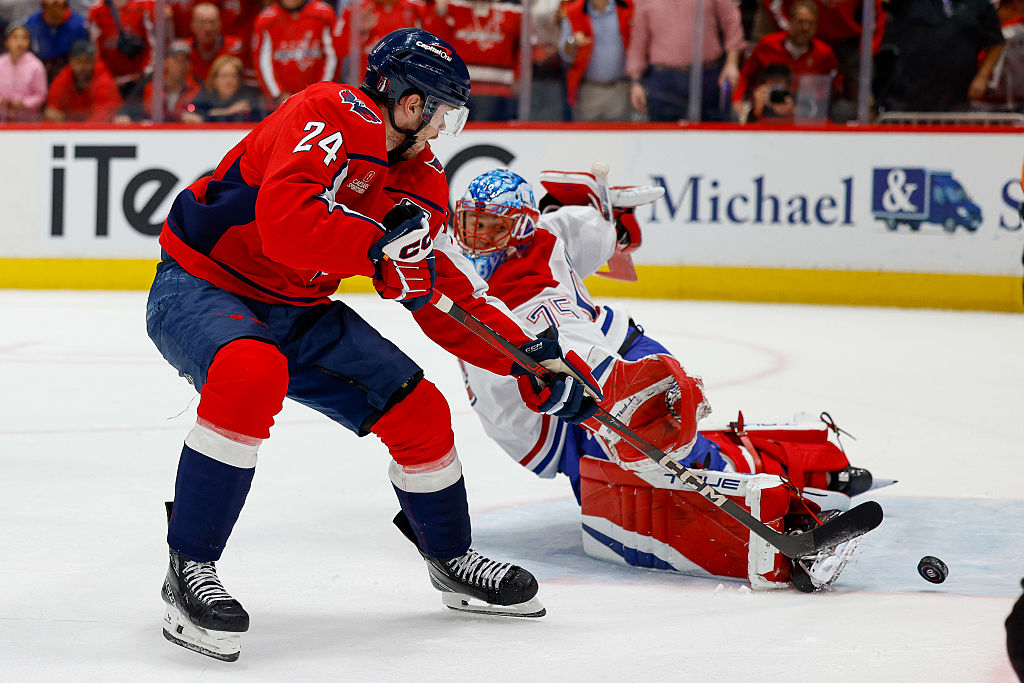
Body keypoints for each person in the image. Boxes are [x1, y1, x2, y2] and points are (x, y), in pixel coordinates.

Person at [147, 27, 598, 663]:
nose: (443, 129)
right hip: (201, 285)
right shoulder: (326, 112)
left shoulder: (420, 183)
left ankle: (450, 558)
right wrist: (374, 248)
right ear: (411, 103)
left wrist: (531, 357)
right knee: (252, 371)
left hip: (298, 308)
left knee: (421, 410)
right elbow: (284, 226)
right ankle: (188, 566)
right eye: (442, 112)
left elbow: (446, 292)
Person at [445, 167, 877, 592]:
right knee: (635, 486)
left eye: (491, 227)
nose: (475, 237)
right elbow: (597, 240)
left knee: (667, 449)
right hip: (550, 414)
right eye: (470, 223)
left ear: (523, 228)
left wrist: (614, 224)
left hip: (606, 363)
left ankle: (794, 503)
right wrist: (614, 223)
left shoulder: (539, 275)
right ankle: (801, 465)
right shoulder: (532, 253)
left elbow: (585, 346)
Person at [626, 0, 744, 121]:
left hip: (707, 76)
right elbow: (638, 41)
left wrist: (731, 63)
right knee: (663, 134)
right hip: (665, 79)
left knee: (713, 132)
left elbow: (731, 21)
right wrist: (636, 82)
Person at [878, 0, 1004, 113]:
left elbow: (996, 43)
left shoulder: (978, 4)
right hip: (908, 93)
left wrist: (982, 76)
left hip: (958, 95)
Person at [732, 0, 839, 123]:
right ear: (790, 21)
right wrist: (737, 100)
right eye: (801, 22)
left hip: (805, 115)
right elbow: (746, 74)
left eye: (811, 23)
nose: (805, 28)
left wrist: (805, 107)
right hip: (765, 111)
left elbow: (832, 84)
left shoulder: (824, 53)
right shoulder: (768, 45)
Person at [424, 0, 522, 121]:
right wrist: (439, 13)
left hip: (500, 92)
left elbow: (523, 49)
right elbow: (436, 47)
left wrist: (519, 77)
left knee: (492, 134)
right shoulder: (451, 6)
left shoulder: (514, 10)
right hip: (456, 91)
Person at [252, 0, 337, 111]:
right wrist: (279, 94)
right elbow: (263, 62)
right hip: (281, 101)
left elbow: (333, 57)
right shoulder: (267, 19)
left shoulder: (323, 14)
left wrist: (321, 90)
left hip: (319, 97)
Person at [558, 0, 634, 122]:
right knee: (586, 137)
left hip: (620, 88)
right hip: (589, 90)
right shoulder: (574, 11)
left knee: (620, 136)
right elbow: (565, 54)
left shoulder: (626, 7)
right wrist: (573, 41)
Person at [115, 38, 201, 121]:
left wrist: (201, 118)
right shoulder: (149, 84)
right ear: (166, 62)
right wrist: (123, 116)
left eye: (185, 60)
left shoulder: (197, 88)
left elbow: (208, 111)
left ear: (190, 64)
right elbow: (128, 108)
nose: (181, 65)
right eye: (177, 59)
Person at [87, 0, 156, 99]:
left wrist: (144, 72)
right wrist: (107, 80)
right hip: (110, 83)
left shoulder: (144, 6)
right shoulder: (96, 11)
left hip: (140, 81)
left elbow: (153, 45)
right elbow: (96, 53)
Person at [43, 37, 122, 121]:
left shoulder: (104, 81)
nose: (82, 66)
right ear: (71, 61)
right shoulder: (62, 80)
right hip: (73, 129)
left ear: (94, 61)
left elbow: (103, 116)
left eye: (87, 61)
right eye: (78, 61)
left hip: (97, 130)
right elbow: (52, 111)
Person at [181, 53, 262, 121]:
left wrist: (207, 117)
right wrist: (229, 111)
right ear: (215, 80)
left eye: (233, 76)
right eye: (224, 76)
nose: (229, 81)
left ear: (239, 79)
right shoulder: (205, 95)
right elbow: (191, 114)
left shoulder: (248, 96)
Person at [23, 0, 89, 83]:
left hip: (70, 80)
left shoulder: (79, 26)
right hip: (36, 77)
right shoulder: (32, 23)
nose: (55, 1)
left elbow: (84, 63)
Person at [185, 1, 244, 84]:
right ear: (193, 25)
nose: (208, 28)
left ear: (220, 25)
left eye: (212, 22)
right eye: (202, 22)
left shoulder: (234, 47)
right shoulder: (184, 50)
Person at [0, 23, 48, 121]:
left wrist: (25, 103)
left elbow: (41, 94)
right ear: (6, 41)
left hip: (28, 121)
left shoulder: (36, 66)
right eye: (15, 38)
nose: (20, 42)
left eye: (24, 38)